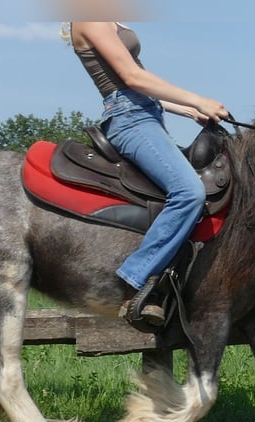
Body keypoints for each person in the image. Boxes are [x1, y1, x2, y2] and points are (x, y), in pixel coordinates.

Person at [67, 21, 230, 327]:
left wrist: (188, 110)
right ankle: (136, 278)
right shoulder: (89, 17)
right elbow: (132, 78)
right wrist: (197, 98)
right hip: (129, 119)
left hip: (145, 113)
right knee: (189, 192)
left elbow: (137, 83)